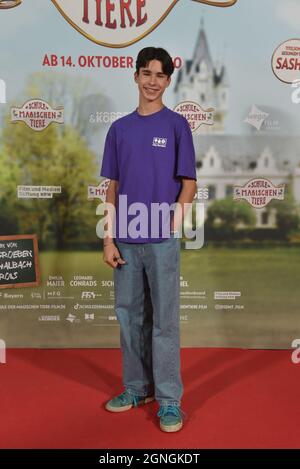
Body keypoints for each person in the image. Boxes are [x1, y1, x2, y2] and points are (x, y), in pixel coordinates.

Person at [100, 47, 197, 433]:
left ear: (169, 81)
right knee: (129, 319)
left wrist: (171, 223)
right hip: (124, 239)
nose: (152, 81)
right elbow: (113, 187)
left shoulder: (176, 126)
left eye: (160, 75)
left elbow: (188, 183)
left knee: (164, 324)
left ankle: (170, 400)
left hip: (160, 240)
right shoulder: (119, 129)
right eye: (146, 73)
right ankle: (137, 389)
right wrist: (109, 239)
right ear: (135, 77)